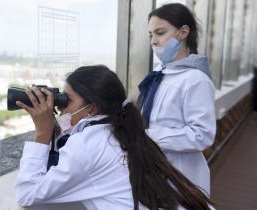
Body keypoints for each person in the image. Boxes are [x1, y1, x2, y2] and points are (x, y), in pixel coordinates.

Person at [14, 65, 214, 210]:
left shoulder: (89, 143)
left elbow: (28, 195)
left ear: (91, 108)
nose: (59, 106)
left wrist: (42, 133)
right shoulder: (125, 132)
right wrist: (55, 130)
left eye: (66, 100)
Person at [137, 3, 216, 196]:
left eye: (160, 32)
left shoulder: (195, 80)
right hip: (154, 169)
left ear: (183, 32)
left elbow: (202, 135)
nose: (154, 41)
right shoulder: (159, 74)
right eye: (150, 35)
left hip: (181, 176)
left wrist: (148, 135)